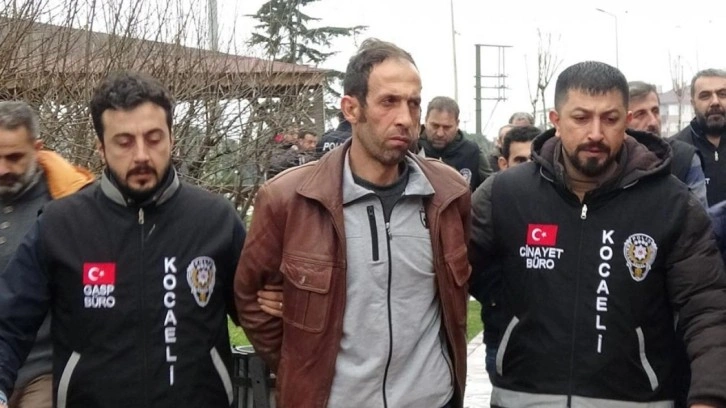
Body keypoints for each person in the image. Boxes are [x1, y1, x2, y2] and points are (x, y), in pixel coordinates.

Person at [470, 61, 726, 407]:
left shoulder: (672, 203)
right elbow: (455, 275)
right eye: (581, 118)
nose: (595, 133)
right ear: (556, 120)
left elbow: (706, 307)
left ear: (626, 120)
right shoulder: (504, 194)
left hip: (638, 399)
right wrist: (511, 311)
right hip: (522, 396)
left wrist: (710, 396)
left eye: (610, 119)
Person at [235, 38, 471, 408]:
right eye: (388, 102)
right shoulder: (288, 199)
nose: (405, 118)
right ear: (351, 108)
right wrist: (302, 366)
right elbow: (251, 298)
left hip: (431, 399)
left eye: (413, 103)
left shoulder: (448, 194)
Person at [0, 72, 246, 408]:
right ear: (101, 148)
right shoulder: (60, 225)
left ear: (171, 139)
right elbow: (9, 324)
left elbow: (261, 313)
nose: (141, 154)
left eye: (154, 139)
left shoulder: (215, 219)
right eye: (124, 142)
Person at [0, 101, 94, 408]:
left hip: (44, 368)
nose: (3, 169)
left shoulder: (67, 206)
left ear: (37, 148)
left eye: (14, 158)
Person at [469, 124, 539, 380]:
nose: (527, 167)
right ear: (503, 163)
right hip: (503, 334)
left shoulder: (560, 197)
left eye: (533, 160)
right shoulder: (488, 198)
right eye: (520, 160)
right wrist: (497, 299)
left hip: (555, 340)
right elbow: (468, 260)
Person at [628, 80, 707, 207]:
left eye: (655, 111)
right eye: (640, 114)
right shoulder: (609, 162)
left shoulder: (685, 158)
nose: (653, 122)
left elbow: (699, 215)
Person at [673, 69, 726, 206]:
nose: (715, 102)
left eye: (722, 94)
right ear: (693, 103)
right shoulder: (676, 151)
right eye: (705, 96)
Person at [419, 95, 492, 190]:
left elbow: (490, 189)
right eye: (435, 126)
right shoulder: (412, 148)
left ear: (457, 124)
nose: (440, 133)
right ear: (426, 120)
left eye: (447, 127)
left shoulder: (472, 152)